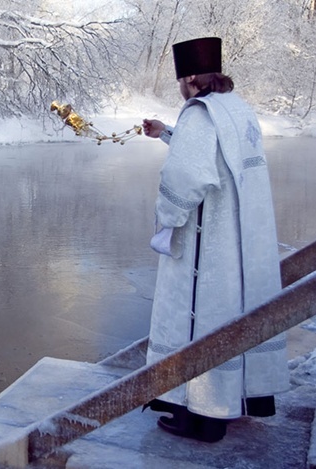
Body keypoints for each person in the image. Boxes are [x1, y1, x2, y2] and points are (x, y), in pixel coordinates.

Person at [141, 37, 289, 443]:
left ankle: (202, 417)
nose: (180, 89)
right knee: (230, 318)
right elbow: (213, 154)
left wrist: (165, 221)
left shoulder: (200, 114)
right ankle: (226, 405)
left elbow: (187, 176)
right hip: (240, 245)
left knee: (200, 322)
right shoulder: (236, 109)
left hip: (206, 252)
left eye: (180, 81)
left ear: (190, 77)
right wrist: (168, 133)